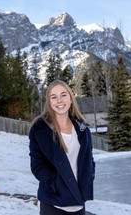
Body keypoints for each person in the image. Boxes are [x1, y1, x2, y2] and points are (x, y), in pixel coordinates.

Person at [29, 80, 95, 215]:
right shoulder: (40, 129)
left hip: (78, 200)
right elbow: (37, 165)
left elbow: (89, 159)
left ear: (70, 98)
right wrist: (56, 184)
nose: (59, 100)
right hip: (52, 201)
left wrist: (88, 177)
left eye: (63, 95)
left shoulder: (82, 128)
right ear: (49, 102)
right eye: (54, 97)